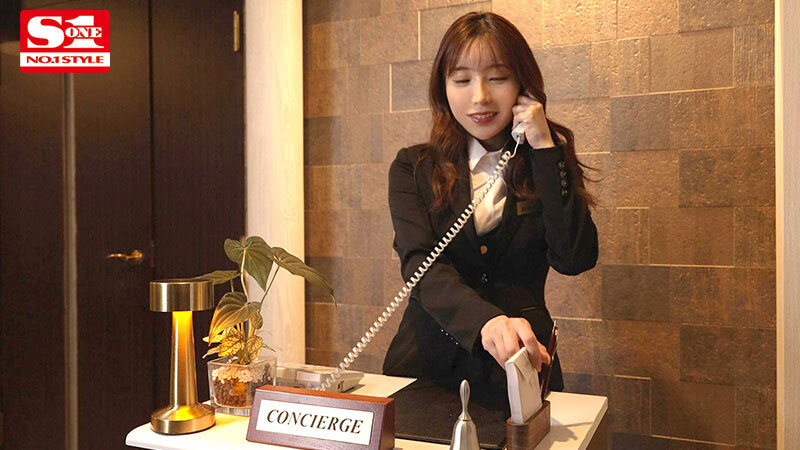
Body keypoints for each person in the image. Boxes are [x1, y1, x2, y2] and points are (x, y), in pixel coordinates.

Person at [382, 12, 598, 405]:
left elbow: (575, 257)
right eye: (462, 80)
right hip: (427, 365)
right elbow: (420, 264)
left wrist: (545, 149)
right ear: (443, 87)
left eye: (497, 78)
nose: (480, 96)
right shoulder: (413, 167)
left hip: (522, 368)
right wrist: (486, 321)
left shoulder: (548, 160)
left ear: (522, 85)